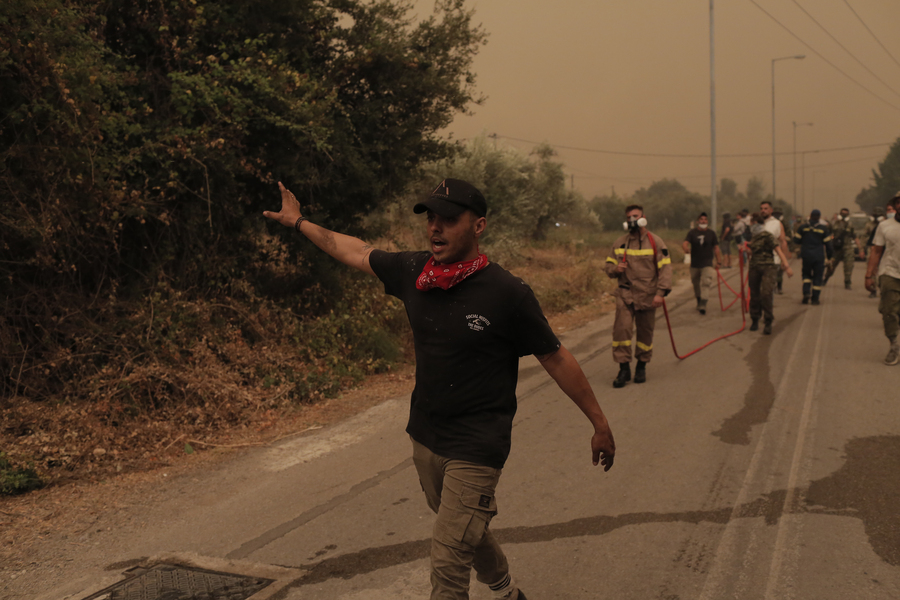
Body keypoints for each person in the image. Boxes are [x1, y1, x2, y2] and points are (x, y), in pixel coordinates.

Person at [263, 178, 615, 600]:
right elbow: (353, 249)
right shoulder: (415, 272)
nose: (435, 228)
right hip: (426, 436)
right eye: (431, 218)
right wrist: (298, 221)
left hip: (478, 443)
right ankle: (507, 592)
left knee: (448, 564)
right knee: (467, 527)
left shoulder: (508, 293)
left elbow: (555, 357)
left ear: (478, 225)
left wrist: (599, 423)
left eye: (449, 219)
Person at [604, 204, 672, 388]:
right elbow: (608, 266)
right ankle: (623, 369)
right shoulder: (620, 243)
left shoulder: (656, 242)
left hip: (648, 296)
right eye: (629, 217)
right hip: (625, 294)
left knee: (645, 332)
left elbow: (665, 268)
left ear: (643, 217)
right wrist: (615, 269)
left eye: (635, 216)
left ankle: (641, 366)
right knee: (622, 331)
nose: (632, 220)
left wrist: (660, 293)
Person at [865, 192, 900, 365]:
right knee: (889, 311)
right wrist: (868, 275)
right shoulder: (885, 226)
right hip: (890, 273)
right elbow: (876, 251)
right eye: (898, 202)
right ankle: (894, 345)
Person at [746, 213, 793, 334]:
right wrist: (746, 250)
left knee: (766, 293)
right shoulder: (754, 237)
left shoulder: (767, 236)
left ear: (758, 224)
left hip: (768, 267)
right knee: (754, 295)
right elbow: (753, 252)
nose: (752, 225)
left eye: (753, 223)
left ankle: (768, 321)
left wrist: (786, 266)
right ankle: (755, 319)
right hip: (754, 267)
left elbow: (778, 250)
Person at [683, 212, 723, 314]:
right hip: (695, 263)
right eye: (701, 219)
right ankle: (699, 300)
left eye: (705, 220)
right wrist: (686, 248)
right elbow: (685, 243)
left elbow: (716, 248)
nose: (703, 221)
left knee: (706, 283)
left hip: (707, 263)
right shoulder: (692, 233)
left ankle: (703, 304)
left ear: (707, 221)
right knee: (696, 284)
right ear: (698, 222)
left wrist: (719, 261)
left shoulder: (711, 233)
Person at [793, 209, 833, 305]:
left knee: (806, 275)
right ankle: (815, 298)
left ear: (810, 216)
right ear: (819, 217)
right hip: (818, 256)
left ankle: (806, 293)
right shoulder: (823, 229)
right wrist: (830, 256)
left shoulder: (803, 227)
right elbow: (829, 245)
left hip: (806, 255)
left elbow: (796, 240)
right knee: (817, 277)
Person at [825, 207, 864, 289]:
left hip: (848, 248)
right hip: (837, 248)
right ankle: (825, 278)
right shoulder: (834, 223)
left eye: (845, 214)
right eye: (842, 213)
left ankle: (847, 282)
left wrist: (860, 249)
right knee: (831, 265)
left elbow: (855, 237)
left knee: (849, 266)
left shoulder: (850, 225)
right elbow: (827, 234)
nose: (843, 215)